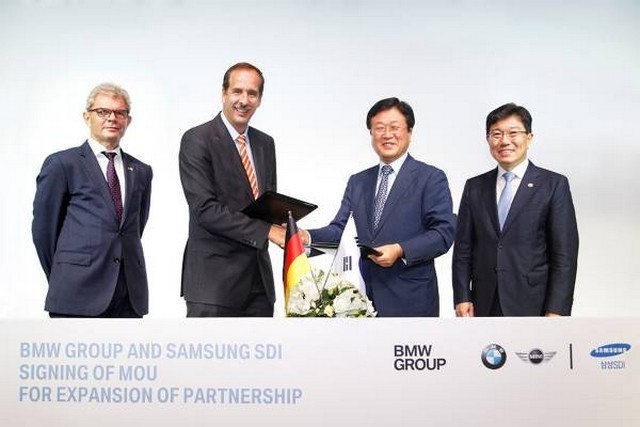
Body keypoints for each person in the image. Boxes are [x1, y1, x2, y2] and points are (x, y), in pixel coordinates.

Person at [303, 97, 456, 317]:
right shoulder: (358, 182)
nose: (387, 134)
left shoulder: (430, 178)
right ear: (371, 134)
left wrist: (400, 249)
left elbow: (443, 233)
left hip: (411, 299)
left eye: (394, 127)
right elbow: (341, 231)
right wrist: (306, 237)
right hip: (357, 298)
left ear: (410, 132)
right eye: (379, 128)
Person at [32, 83, 153, 318]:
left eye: (120, 113)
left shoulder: (141, 170)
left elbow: (135, 228)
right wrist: (63, 273)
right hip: (77, 292)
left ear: (128, 120)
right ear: (87, 117)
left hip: (128, 294)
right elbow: (44, 232)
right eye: (102, 112)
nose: (112, 118)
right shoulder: (63, 164)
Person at [452, 103, 579, 317]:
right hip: (484, 302)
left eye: (513, 133)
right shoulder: (474, 187)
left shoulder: (553, 185)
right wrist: (462, 296)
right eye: (496, 134)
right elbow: (463, 249)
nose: (505, 141)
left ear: (529, 138)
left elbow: (564, 254)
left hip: (534, 302)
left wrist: (557, 309)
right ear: (488, 139)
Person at [179, 62, 285, 317]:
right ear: (223, 93)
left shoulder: (265, 143)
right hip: (214, 284)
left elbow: (264, 203)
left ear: (260, 99)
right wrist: (267, 231)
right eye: (237, 91)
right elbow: (205, 210)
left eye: (252, 93)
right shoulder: (197, 139)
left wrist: (286, 225)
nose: (244, 101)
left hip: (259, 284)